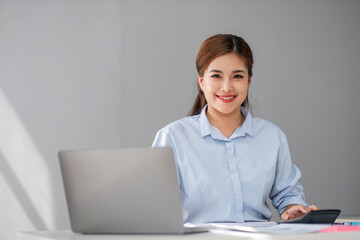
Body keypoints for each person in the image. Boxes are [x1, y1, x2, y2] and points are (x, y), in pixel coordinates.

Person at [152, 34, 318, 223]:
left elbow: (288, 195)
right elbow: (155, 205)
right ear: (202, 82)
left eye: (237, 76)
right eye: (216, 76)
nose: (226, 87)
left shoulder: (272, 136)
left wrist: (294, 209)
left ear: (249, 81)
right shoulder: (173, 137)